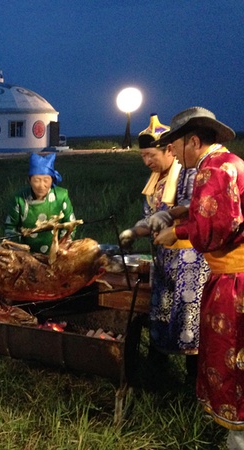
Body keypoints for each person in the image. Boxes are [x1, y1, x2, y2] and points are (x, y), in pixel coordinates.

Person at [153, 107, 244, 447]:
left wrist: (176, 232)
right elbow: (223, 214)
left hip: (234, 280)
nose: (172, 153)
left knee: (232, 358)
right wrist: (185, 211)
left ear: (193, 141)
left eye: (174, 146)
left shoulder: (211, 170)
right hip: (233, 275)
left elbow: (211, 231)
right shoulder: (230, 162)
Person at [119, 113, 209, 377]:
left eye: (151, 155)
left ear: (170, 150)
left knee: (189, 319)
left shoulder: (189, 174)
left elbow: (195, 208)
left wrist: (169, 218)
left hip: (190, 261)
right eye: (143, 156)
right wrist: (133, 232)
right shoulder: (156, 180)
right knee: (160, 314)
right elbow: (150, 219)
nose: (147, 161)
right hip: (163, 260)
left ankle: (193, 379)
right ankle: (157, 373)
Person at [4, 152, 75, 254]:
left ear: (52, 180)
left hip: (56, 251)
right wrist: (19, 249)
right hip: (26, 253)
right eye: (37, 180)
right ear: (29, 180)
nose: (41, 185)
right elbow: (10, 227)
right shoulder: (20, 199)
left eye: (46, 180)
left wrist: (63, 245)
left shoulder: (61, 196)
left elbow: (71, 224)